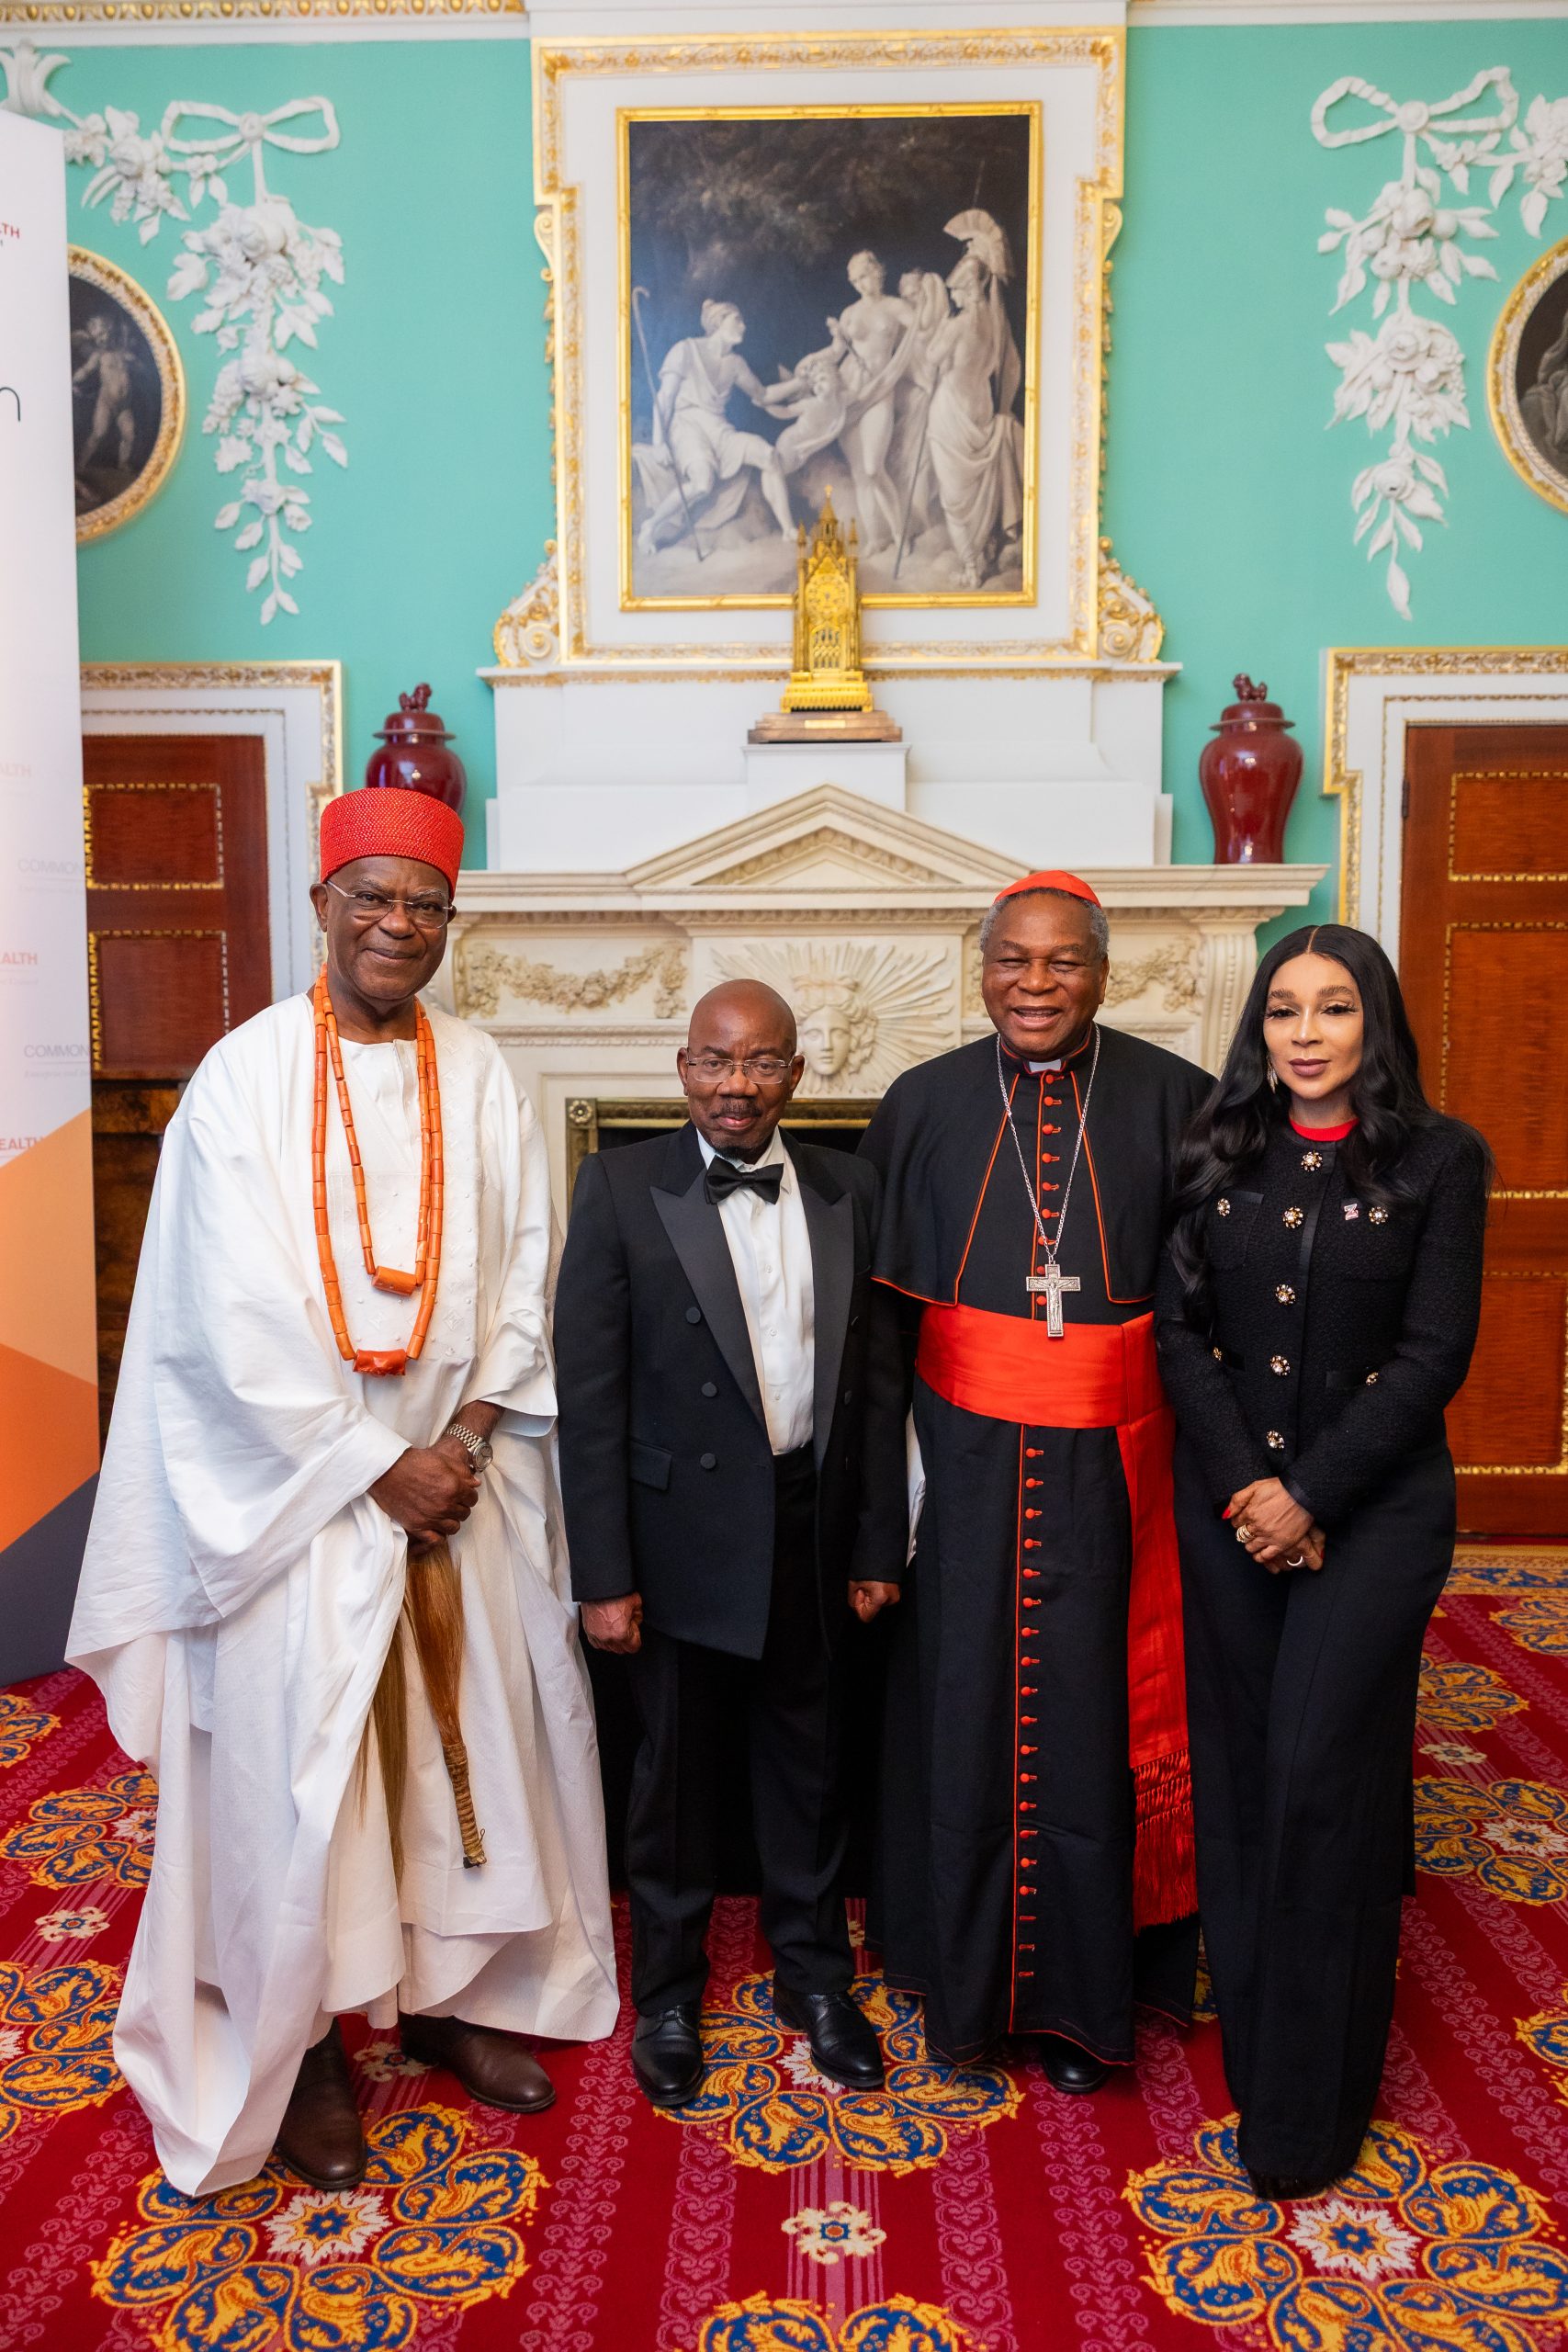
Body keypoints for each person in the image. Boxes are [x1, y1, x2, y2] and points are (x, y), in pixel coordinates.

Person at [67, 780, 618, 2196]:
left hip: (457, 1485)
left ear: (452, 921)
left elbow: (518, 1268)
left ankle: (441, 2002)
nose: (394, 923)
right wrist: (376, 1467)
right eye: (368, 897)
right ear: (318, 906)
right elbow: (218, 1322)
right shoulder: (241, 1080)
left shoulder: (484, 1070)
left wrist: (468, 1438)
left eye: (421, 903)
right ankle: (308, 2040)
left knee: (463, 1755)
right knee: (300, 1777)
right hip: (304, 1501)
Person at [1155, 922, 1489, 2199]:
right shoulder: (1214, 1148)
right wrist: (1248, 1486)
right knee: (1239, 1779)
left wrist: (1306, 1496)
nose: (1303, 1033)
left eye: (1332, 1009)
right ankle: (1257, 2040)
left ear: (1372, 1026)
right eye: (1282, 1010)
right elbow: (1176, 1332)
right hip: (1230, 1507)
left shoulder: (1439, 1161)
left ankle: (1315, 2095)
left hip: (1374, 1517)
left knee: (1315, 1782)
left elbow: (1430, 1355)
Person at [858, 873, 1209, 2088]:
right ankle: (958, 1987)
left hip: (1116, 1480)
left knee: (1089, 1726)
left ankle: (1075, 2002)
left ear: (1101, 973)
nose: (1033, 984)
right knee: (960, 1719)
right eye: (1011, 960)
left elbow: (1202, 1320)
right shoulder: (920, 1105)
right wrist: (870, 1531)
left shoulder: (1177, 1100)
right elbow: (875, 1345)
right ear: (981, 969)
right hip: (957, 1477)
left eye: (1060, 963)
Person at [554, 981, 908, 2109]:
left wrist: (877, 1545)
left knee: (810, 1767)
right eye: (715, 1061)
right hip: (676, 1545)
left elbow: (878, 1386)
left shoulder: (853, 1186)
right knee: (674, 1783)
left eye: (760, 1064)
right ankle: (668, 1991)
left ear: (797, 1073)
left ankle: (816, 1981)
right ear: (682, 1066)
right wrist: (602, 1576)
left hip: (811, 1525)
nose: (736, 1085)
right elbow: (589, 1393)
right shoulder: (617, 1185)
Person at [635, 300, 794, 556]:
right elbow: (663, 399)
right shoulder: (685, 350)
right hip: (687, 426)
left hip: (718, 428)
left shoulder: (735, 363)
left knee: (768, 454)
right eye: (737, 320)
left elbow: (762, 394)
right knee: (702, 482)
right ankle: (651, 526)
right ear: (719, 321)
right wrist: (658, 443)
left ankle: (789, 529)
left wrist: (799, 384)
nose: (744, 326)